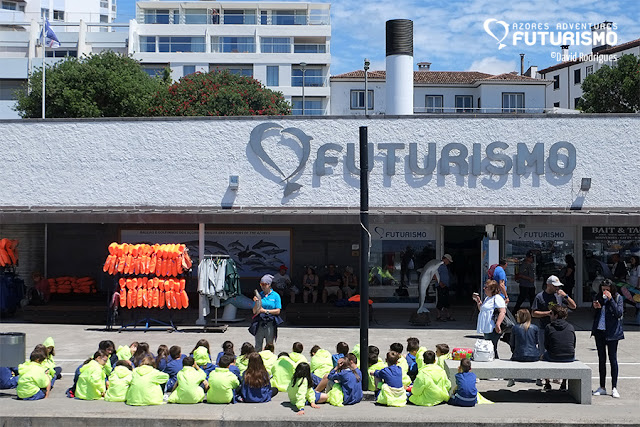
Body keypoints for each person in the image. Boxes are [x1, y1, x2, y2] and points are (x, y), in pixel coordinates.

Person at [591, 279, 624, 398]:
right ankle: (602, 386)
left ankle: (614, 387)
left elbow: (618, 313)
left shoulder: (617, 298)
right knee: (601, 359)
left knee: (613, 359)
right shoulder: (598, 296)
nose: (605, 291)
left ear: (611, 289)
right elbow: (593, 314)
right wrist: (595, 307)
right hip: (600, 331)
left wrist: (610, 300)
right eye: (603, 289)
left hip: (612, 333)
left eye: (607, 289)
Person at [532, 275, 577, 358]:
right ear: (548, 285)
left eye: (558, 286)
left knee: (556, 350)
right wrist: (547, 313)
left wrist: (566, 296)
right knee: (543, 353)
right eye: (555, 286)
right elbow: (534, 313)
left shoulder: (559, 296)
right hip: (544, 328)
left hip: (558, 328)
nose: (557, 288)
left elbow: (573, 306)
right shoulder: (540, 297)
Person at [472, 280, 506, 359]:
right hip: (487, 327)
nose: (484, 288)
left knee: (492, 346)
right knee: (490, 347)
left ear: (492, 289)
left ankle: (495, 360)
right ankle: (493, 359)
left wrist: (498, 324)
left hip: (492, 327)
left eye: (486, 287)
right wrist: (478, 301)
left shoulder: (497, 298)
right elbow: (482, 310)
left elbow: (502, 311)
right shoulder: (488, 298)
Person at [507, 309, 540, 387]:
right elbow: (537, 342)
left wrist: (514, 351)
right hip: (533, 355)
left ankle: (511, 379)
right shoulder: (535, 327)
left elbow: (512, 343)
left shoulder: (515, 328)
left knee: (512, 361)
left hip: (519, 355)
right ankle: (539, 379)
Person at [251, 274, 282, 350]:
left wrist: (265, 311)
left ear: (269, 284)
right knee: (258, 345)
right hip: (260, 321)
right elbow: (254, 311)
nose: (263, 286)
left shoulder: (275, 295)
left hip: (270, 322)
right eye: (261, 284)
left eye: (264, 284)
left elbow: (278, 311)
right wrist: (256, 302)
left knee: (269, 345)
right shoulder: (259, 295)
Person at [436, 254, 454, 321]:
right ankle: (439, 316)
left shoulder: (445, 266)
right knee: (441, 301)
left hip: (445, 286)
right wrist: (440, 283)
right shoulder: (439, 266)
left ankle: (448, 315)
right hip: (441, 286)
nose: (449, 262)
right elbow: (435, 275)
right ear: (445, 259)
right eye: (448, 261)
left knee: (446, 301)